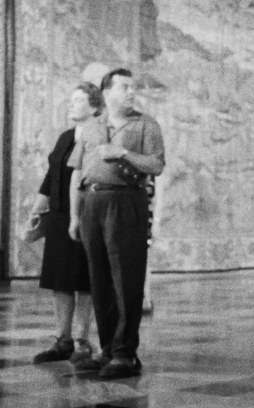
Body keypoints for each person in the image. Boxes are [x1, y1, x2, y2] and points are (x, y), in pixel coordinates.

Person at [68, 68, 165, 379]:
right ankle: (108, 349)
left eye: (133, 87)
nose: (131, 92)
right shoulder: (92, 127)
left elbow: (156, 164)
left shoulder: (146, 124)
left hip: (126, 203)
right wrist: (74, 215)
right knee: (100, 282)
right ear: (107, 92)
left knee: (126, 281)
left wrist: (123, 152)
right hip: (92, 204)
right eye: (125, 87)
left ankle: (125, 354)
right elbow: (76, 172)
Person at [32, 82, 101, 365]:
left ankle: (83, 342)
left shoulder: (99, 136)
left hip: (87, 214)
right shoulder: (65, 137)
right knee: (60, 280)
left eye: (78, 100)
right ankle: (62, 340)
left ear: (94, 106)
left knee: (84, 280)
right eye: (70, 99)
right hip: (59, 216)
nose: (71, 104)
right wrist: (36, 210)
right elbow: (51, 176)